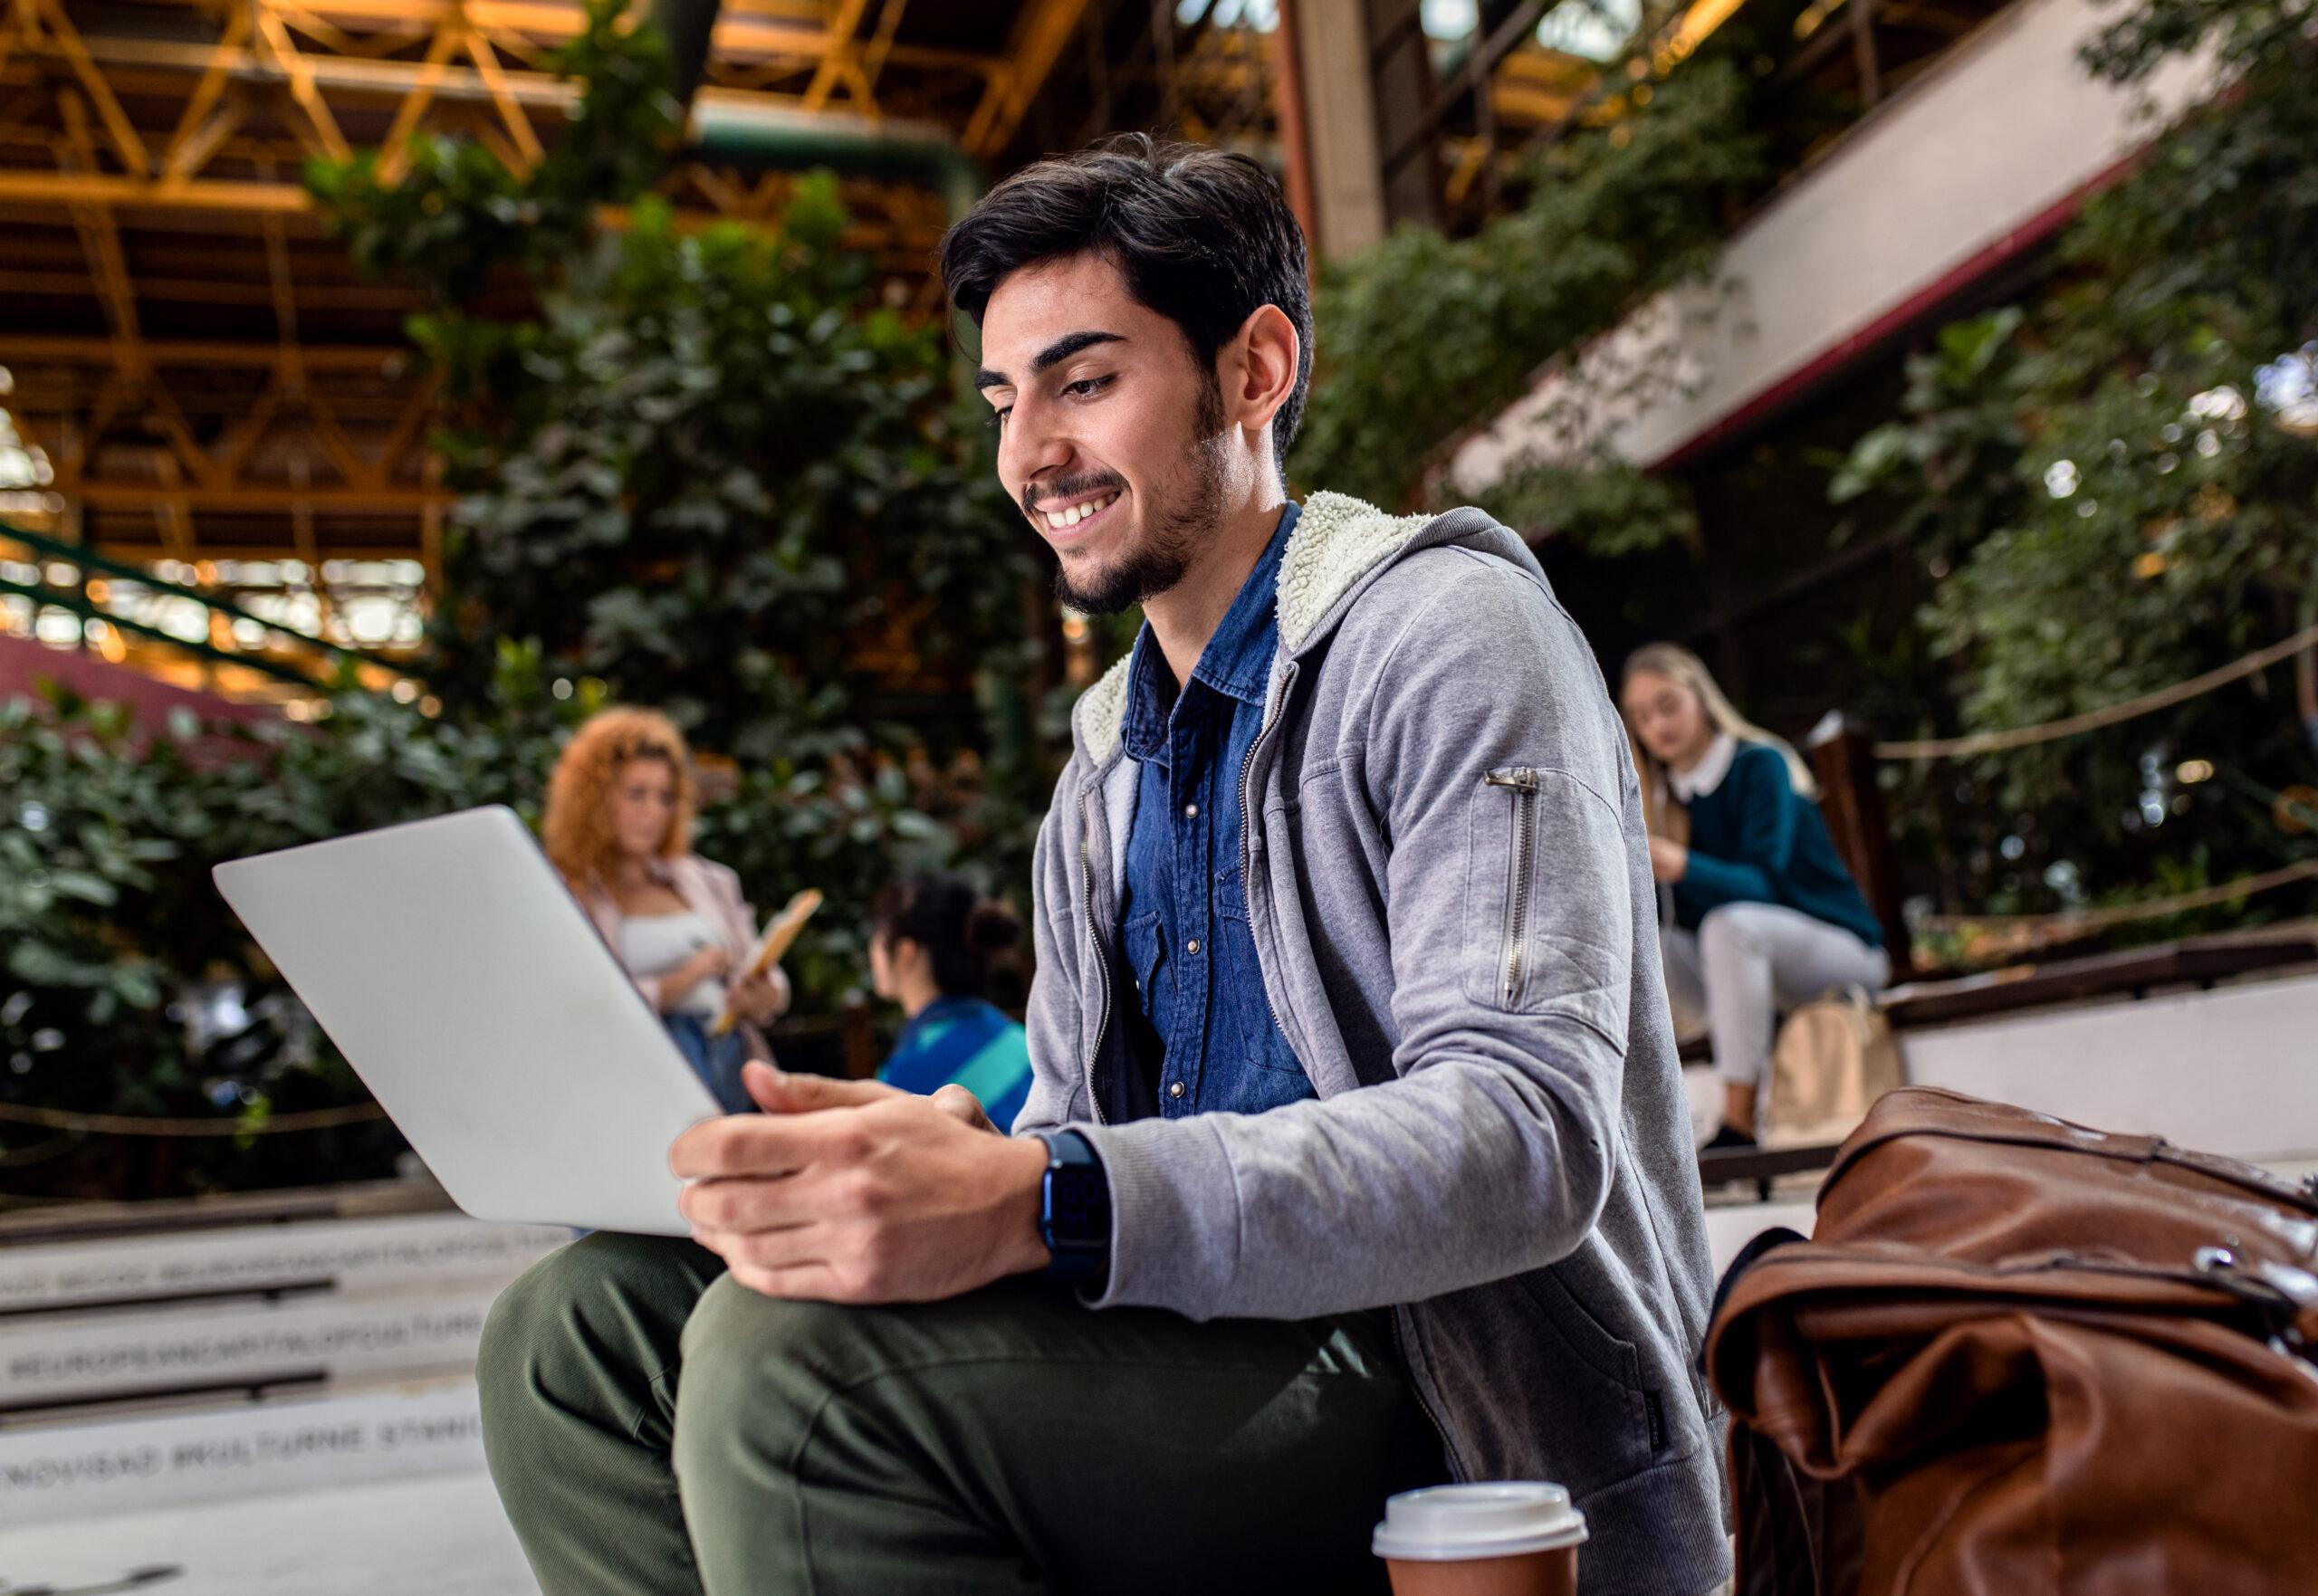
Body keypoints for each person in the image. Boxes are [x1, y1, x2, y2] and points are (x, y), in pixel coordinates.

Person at [479, 138, 1728, 1596]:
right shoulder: (1101, 774)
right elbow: (1081, 1128)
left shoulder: (1449, 636)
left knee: (797, 1375)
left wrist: (1045, 1194)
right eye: (1005, 401)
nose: (1027, 455)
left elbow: (1525, 1136)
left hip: (1457, 1392)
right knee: (571, 1333)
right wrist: (947, 1157)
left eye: (1083, 382)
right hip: (1194, 1352)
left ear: (1254, 370)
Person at [1621, 643, 1891, 1149]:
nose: (1658, 726)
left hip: (1844, 954)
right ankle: (1655, 1123)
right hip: (1753, 976)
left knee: (1731, 924)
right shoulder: (1661, 799)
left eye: (1668, 706)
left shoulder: (1758, 765)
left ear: (1701, 698)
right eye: (1641, 717)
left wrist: (1682, 865)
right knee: (1648, 941)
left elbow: (1764, 884)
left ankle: (1739, 1122)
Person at [541, 706, 789, 1113]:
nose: (654, 811)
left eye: (666, 796)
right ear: (595, 799)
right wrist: (682, 981)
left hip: (730, 1061)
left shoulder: (707, 880)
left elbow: (769, 981)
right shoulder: (570, 896)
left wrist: (760, 995)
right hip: (641, 1080)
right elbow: (577, 1007)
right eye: (636, 794)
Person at [869, 870, 1034, 1131]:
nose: (873, 948)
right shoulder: (1018, 1037)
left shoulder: (904, 1076)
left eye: (878, 933)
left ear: (905, 954)